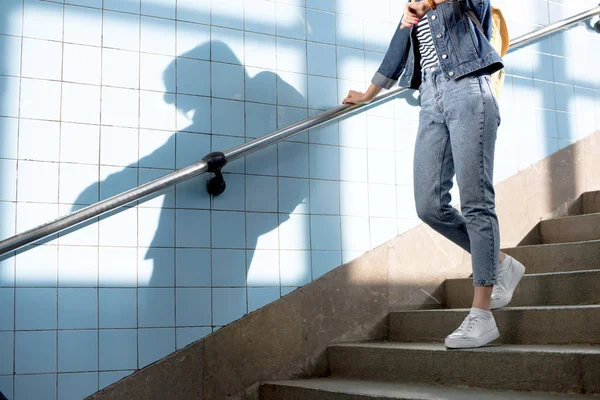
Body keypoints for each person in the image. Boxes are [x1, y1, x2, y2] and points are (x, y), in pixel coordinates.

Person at [343, 0, 525, 349]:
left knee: (476, 202)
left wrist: (427, 3)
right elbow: (400, 46)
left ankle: (482, 314)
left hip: (469, 88)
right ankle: (501, 262)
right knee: (428, 205)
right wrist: (369, 94)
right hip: (430, 96)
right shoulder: (414, 5)